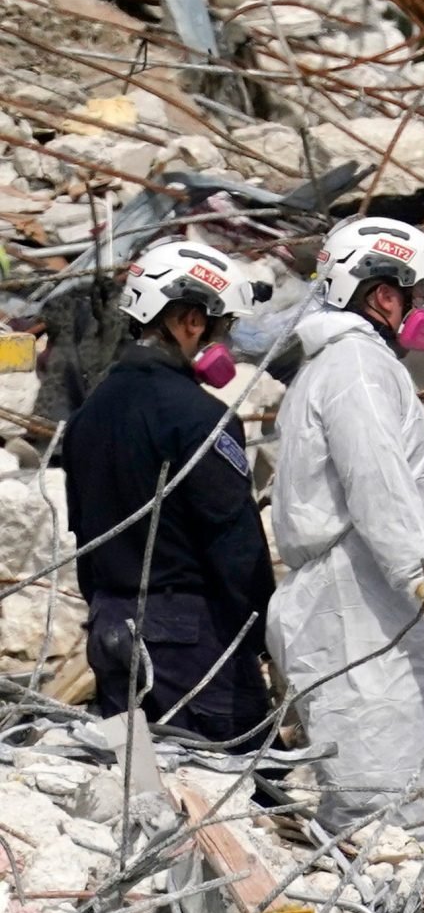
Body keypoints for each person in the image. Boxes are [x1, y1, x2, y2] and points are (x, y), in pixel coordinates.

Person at [266, 217, 424, 830]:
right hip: (353, 606)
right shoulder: (358, 365)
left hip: (361, 598)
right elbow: (377, 486)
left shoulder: (344, 364)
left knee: (384, 791)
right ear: (384, 294)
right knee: (376, 807)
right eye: (421, 293)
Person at [61, 241, 275, 742]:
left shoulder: (87, 416)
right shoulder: (199, 416)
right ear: (190, 321)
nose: (222, 343)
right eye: (221, 327)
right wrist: (264, 629)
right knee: (242, 783)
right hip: (188, 635)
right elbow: (233, 541)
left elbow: (85, 540)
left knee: (144, 786)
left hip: (110, 623)